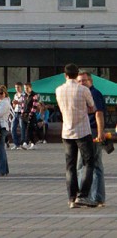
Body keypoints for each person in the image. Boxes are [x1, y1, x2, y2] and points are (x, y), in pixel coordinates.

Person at [56, 63, 96, 209]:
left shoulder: (59, 90)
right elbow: (92, 107)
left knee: (70, 166)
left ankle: (72, 198)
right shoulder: (83, 89)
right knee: (88, 163)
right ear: (77, 74)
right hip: (83, 130)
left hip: (66, 131)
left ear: (65, 75)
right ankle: (83, 195)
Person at [77, 71, 106, 207]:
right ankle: (87, 196)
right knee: (83, 165)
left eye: (84, 80)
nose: (81, 83)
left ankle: (96, 197)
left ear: (91, 81)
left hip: (93, 132)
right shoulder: (82, 94)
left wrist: (100, 133)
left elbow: (99, 114)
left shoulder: (95, 93)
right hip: (83, 132)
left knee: (94, 165)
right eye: (79, 81)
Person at [21, 82, 39, 150]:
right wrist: (22, 113)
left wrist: (30, 114)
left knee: (29, 129)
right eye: (25, 88)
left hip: (30, 114)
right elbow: (23, 104)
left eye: (27, 88)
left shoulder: (34, 95)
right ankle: (32, 143)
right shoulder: (24, 95)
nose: (26, 89)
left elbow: (34, 106)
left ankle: (26, 143)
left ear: (30, 88)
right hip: (24, 114)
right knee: (25, 129)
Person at [11, 82, 25, 150]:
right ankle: (16, 143)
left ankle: (22, 144)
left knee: (22, 128)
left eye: (18, 87)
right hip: (15, 112)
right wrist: (14, 104)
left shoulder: (24, 95)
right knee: (13, 128)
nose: (17, 89)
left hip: (21, 112)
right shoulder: (15, 95)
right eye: (16, 87)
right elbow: (14, 106)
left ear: (21, 87)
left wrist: (18, 102)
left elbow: (25, 104)